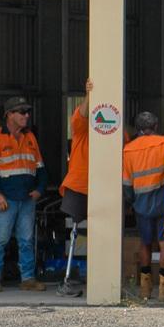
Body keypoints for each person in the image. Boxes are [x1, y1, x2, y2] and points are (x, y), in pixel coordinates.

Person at [0, 100, 45, 292]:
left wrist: (39, 189)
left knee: (26, 240)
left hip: (26, 199)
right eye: (22, 112)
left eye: (27, 112)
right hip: (6, 200)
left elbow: (41, 169)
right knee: (0, 238)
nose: (26, 116)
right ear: (9, 114)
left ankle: (28, 279)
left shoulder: (30, 137)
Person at [122, 112, 164, 300]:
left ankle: (145, 289)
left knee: (145, 242)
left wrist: (130, 202)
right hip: (163, 201)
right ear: (157, 126)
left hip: (141, 204)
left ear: (137, 129)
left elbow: (126, 184)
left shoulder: (128, 150)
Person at [57, 93, 95, 296]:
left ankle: (100, 276)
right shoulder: (82, 128)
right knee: (75, 231)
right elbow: (81, 114)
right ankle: (68, 278)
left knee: (102, 233)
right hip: (79, 185)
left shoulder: (116, 131)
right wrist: (89, 95)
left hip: (101, 187)